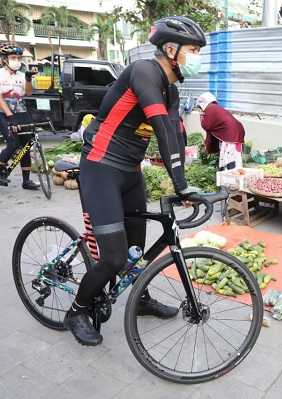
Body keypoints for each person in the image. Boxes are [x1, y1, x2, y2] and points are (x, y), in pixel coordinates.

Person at [63, 16, 207, 346]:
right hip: (101, 168)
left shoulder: (170, 88)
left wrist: (183, 183)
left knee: (136, 252)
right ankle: (76, 310)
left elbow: (176, 134)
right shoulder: (144, 72)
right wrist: (181, 186)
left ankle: (139, 299)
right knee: (112, 258)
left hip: (130, 172)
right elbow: (160, 127)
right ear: (171, 49)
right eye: (193, 49)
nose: (197, 56)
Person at [0, 43, 40, 189]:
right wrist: (11, 117)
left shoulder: (22, 75)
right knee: (13, 143)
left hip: (21, 111)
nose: (16, 60)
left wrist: (28, 78)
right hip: (4, 114)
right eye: (13, 57)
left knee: (26, 145)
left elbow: (28, 92)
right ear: (5, 59)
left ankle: (26, 181)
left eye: (18, 57)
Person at [197, 92, 245, 171]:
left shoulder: (210, 108)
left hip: (230, 134)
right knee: (235, 156)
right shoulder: (215, 108)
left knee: (228, 157)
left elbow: (207, 126)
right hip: (236, 132)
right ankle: (236, 172)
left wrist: (201, 116)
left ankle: (228, 175)